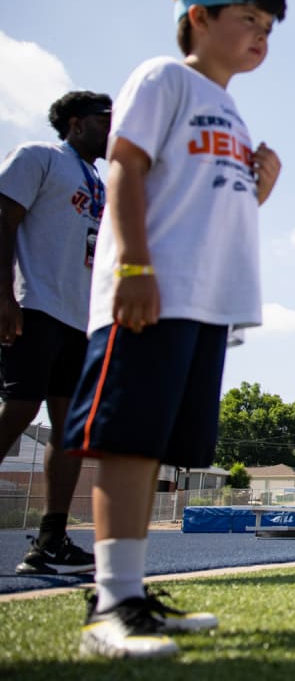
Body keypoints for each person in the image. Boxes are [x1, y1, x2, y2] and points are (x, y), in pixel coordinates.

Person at [59, 0, 285, 658]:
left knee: (157, 445)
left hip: (203, 302)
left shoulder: (233, 110)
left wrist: (260, 184)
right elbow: (124, 166)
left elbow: (215, 210)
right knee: (127, 440)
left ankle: (134, 597)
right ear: (199, 17)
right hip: (150, 288)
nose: (260, 37)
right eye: (248, 19)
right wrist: (131, 266)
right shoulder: (163, 77)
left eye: (269, 29)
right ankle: (112, 605)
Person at [0, 91, 114, 577]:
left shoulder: (101, 184)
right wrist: (4, 297)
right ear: (75, 123)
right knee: (21, 406)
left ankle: (50, 538)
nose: (114, 129)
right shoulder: (38, 157)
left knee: (71, 430)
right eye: (106, 120)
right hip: (35, 305)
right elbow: (3, 222)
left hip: (79, 320)